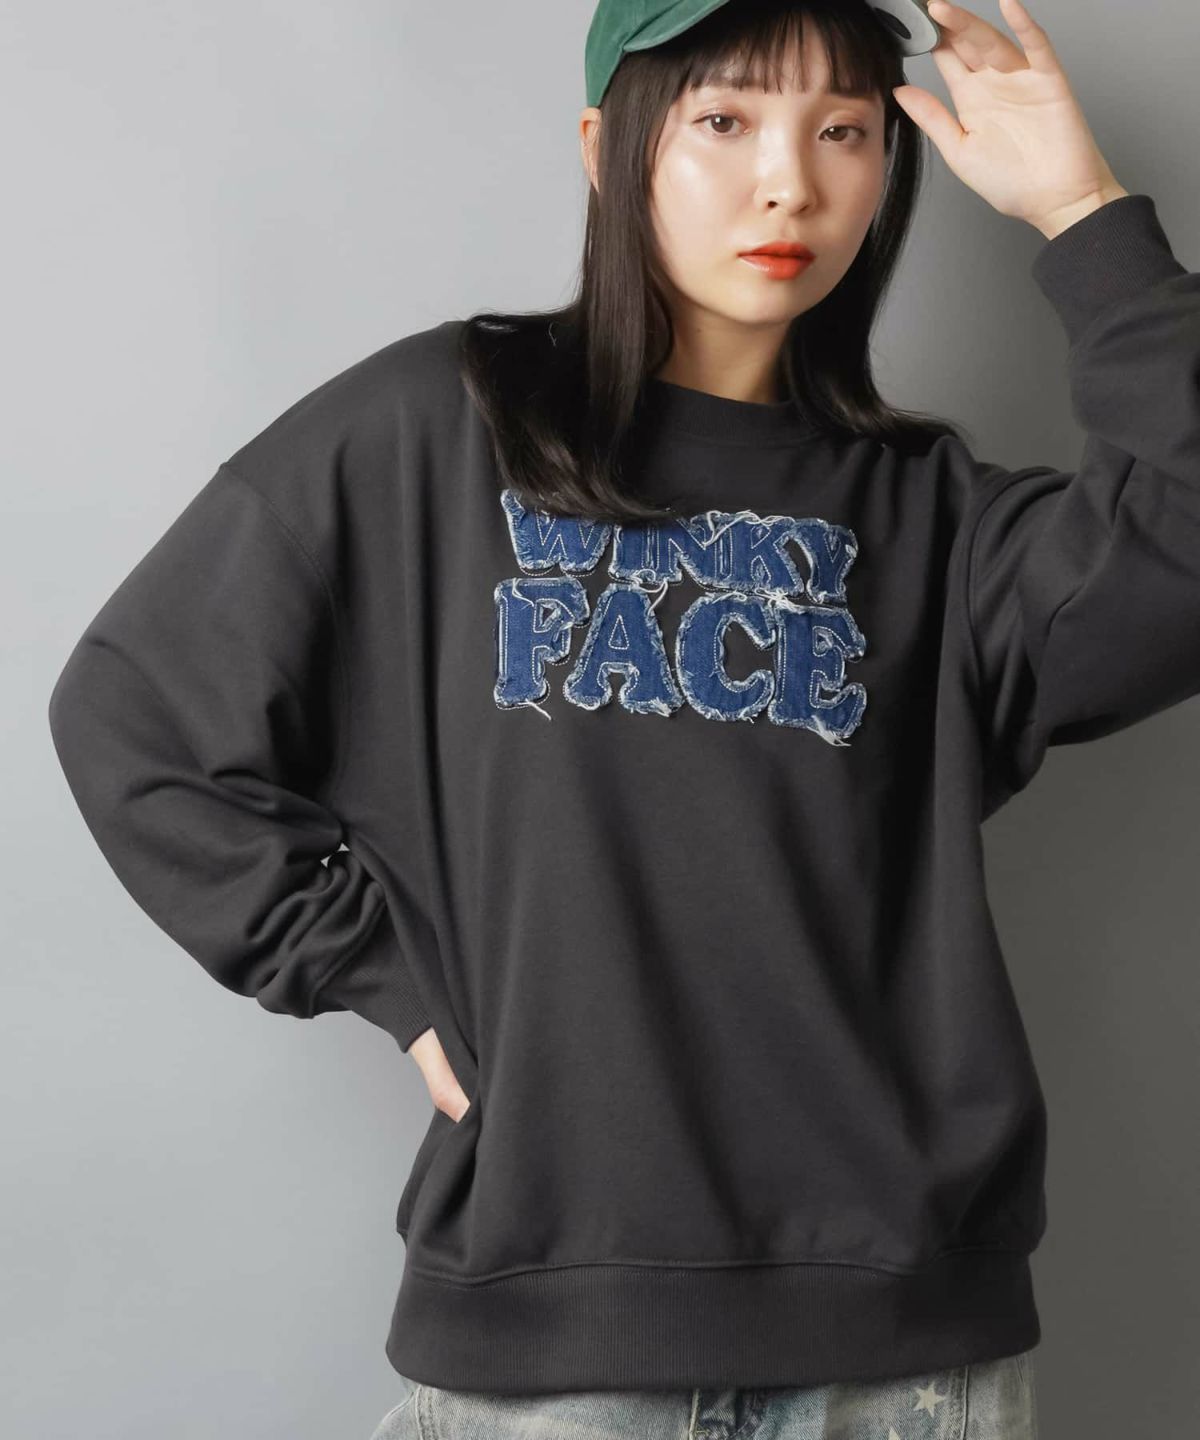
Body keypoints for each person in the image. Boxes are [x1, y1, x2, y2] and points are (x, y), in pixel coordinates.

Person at [46, 0, 1198, 1432]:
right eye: (724, 120)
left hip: (900, 1355)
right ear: (608, 147)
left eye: (843, 130)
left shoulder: (936, 523)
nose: (788, 182)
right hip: (553, 1348)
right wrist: (381, 975)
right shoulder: (438, 432)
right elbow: (137, 713)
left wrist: (1085, 215)